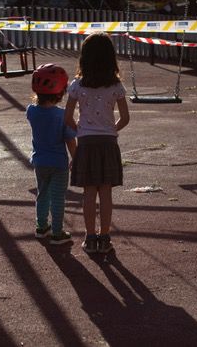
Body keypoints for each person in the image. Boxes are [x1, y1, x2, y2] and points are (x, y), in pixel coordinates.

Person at [64, 33, 130, 254]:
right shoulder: (116, 86)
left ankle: (90, 237)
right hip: (108, 142)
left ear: (84, 58)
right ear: (111, 58)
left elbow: (67, 117)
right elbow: (125, 118)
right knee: (106, 192)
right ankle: (105, 237)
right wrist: (112, 129)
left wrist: (81, 130)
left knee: (89, 192)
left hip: (86, 141)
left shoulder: (77, 85)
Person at [26, 64, 78, 245]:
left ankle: (41, 227)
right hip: (59, 164)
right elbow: (70, 140)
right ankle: (57, 232)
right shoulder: (63, 115)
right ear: (60, 93)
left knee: (43, 194)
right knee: (57, 198)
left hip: (40, 162)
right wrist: (76, 158)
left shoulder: (31, 111)